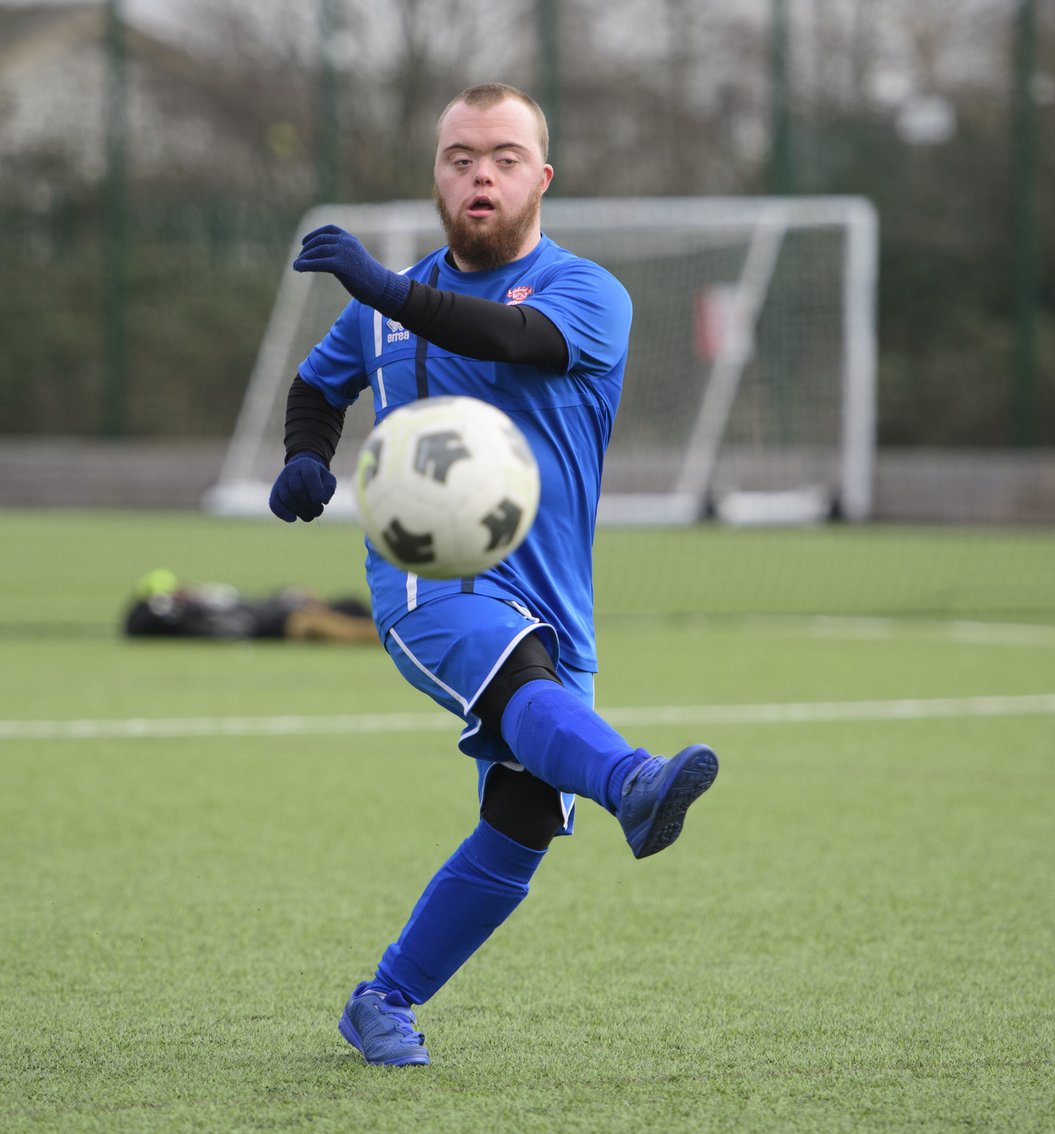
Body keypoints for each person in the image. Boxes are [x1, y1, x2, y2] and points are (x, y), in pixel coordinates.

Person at [268, 83, 718, 1068]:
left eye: (504, 156)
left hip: (555, 600)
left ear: (540, 177)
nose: (481, 172)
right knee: (518, 686)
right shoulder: (383, 314)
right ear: (437, 175)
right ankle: (632, 782)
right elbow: (317, 383)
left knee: (516, 829)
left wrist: (383, 288)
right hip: (430, 583)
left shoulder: (588, 292)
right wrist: (306, 457)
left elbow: (508, 338)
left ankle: (381, 999)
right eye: (461, 155)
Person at [122, 569, 377, 643]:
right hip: (277, 623)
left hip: (278, 607)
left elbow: (251, 601)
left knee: (349, 603)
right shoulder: (188, 616)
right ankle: (389, 638)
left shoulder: (208, 596)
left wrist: (287, 595)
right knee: (316, 623)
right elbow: (139, 621)